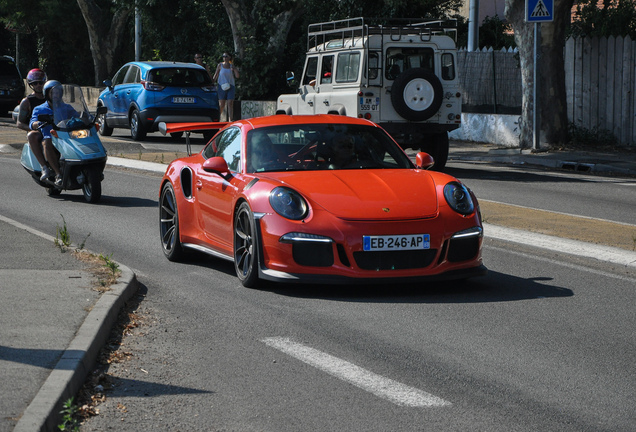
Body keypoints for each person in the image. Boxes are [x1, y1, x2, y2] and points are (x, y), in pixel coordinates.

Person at [30, 80, 79, 186]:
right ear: (47, 94)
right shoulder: (39, 109)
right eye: (53, 93)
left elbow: (78, 116)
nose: (56, 95)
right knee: (46, 141)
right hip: (50, 136)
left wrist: (88, 118)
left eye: (58, 92)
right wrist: (37, 123)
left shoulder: (66, 107)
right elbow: (32, 122)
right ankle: (58, 174)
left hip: (66, 136)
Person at [17, 68, 49, 180]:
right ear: (31, 85)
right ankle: (44, 166)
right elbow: (19, 123)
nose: (38, 85)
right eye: (35, 83)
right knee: (32, 136)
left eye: (41, 82)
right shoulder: (27, 101)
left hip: (53, 128)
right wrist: (34, 127)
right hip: (37, 130)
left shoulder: (51, 97)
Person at [213, 52, 240, 122]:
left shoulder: (231, 66)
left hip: (230, 86)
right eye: (223, 56)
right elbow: (216, 75)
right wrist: (212, 82)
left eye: (226, 56)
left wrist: (235, 69)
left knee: (230, 103)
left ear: (229, 57)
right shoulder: (220, 65)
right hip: (221, 85)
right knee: (222, 104)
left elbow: (237, 76)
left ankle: (230, 119)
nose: (224, 58)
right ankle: (217, 117)